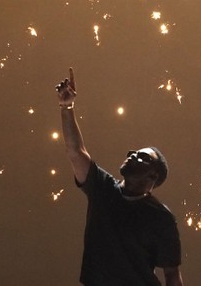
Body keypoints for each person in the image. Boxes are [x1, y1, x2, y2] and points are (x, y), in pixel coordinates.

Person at [56, 68, 184, 286]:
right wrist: (67, 107)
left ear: (153, 175)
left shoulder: (161, 218)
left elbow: (172, 275)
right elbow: (76, 152)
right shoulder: (103, 188)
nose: (132, 155)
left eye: (141, 156)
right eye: (132, 152)